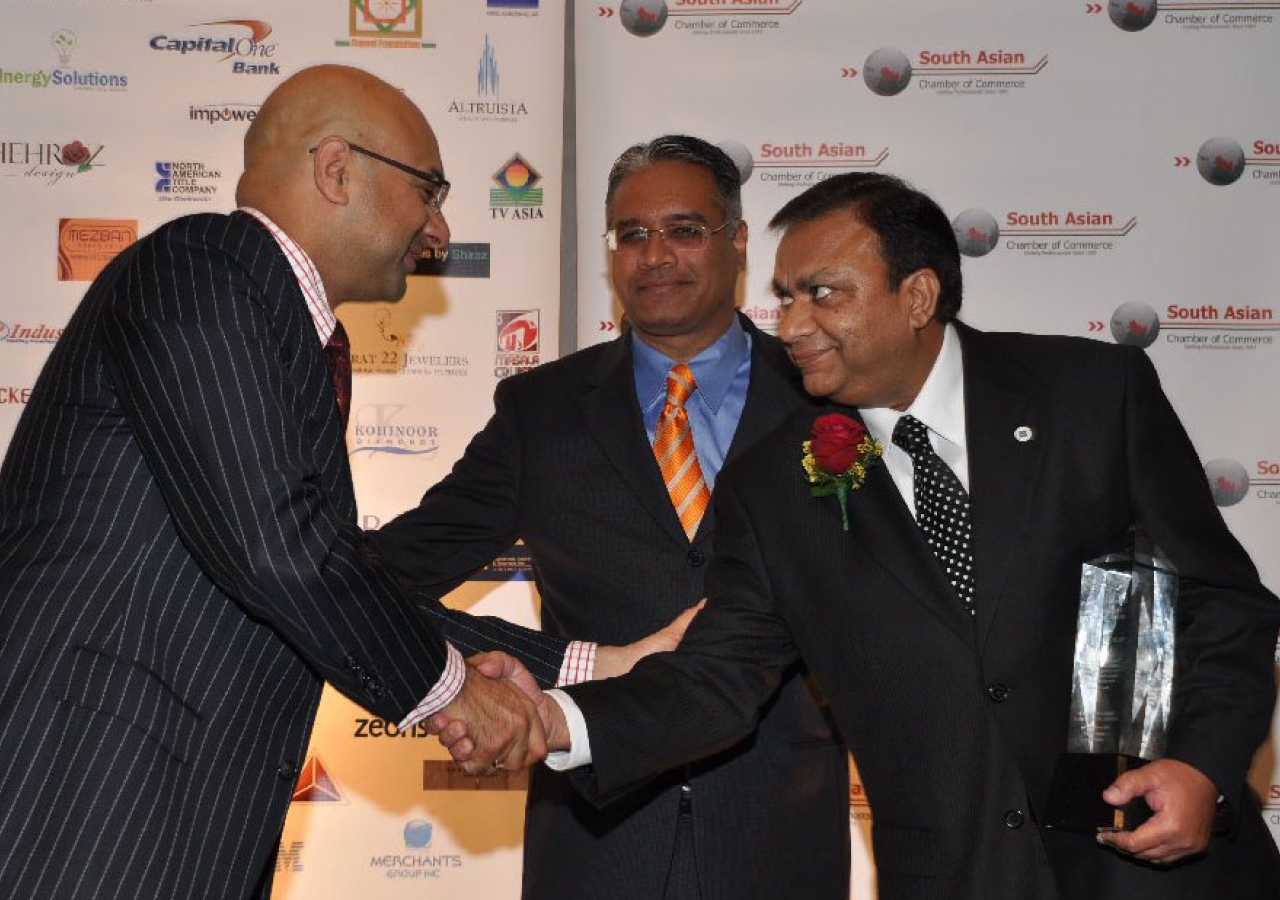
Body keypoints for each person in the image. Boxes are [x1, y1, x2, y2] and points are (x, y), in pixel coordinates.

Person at [502, 171, 1280, 900]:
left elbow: (1221, 604)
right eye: (785, 297)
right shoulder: (773, 483)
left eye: (823, 294)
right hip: (955, 875)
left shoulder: (1092, 396)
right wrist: (561, 720)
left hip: (1159, 862)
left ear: (917, 295)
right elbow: (718, 676)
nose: (792, 325)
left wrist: (1203, 767)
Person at [0, 65, 543, 900]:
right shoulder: (202, 264)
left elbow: (329, 573)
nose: (439, 227)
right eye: (429, 189)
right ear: (336, 169)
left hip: (184, 820)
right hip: (90, 804)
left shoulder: (277, 321)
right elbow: (279, 549)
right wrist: (451, 694)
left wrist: (581, 663)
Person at [369, 135, 850, 900]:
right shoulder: (541, 412)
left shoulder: (826, 402)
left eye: (684, 230)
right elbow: (377, 583)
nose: (654, 254)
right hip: (596, 835)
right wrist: (558, 666)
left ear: (737, 243)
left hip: (779, 830)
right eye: (632, 234)